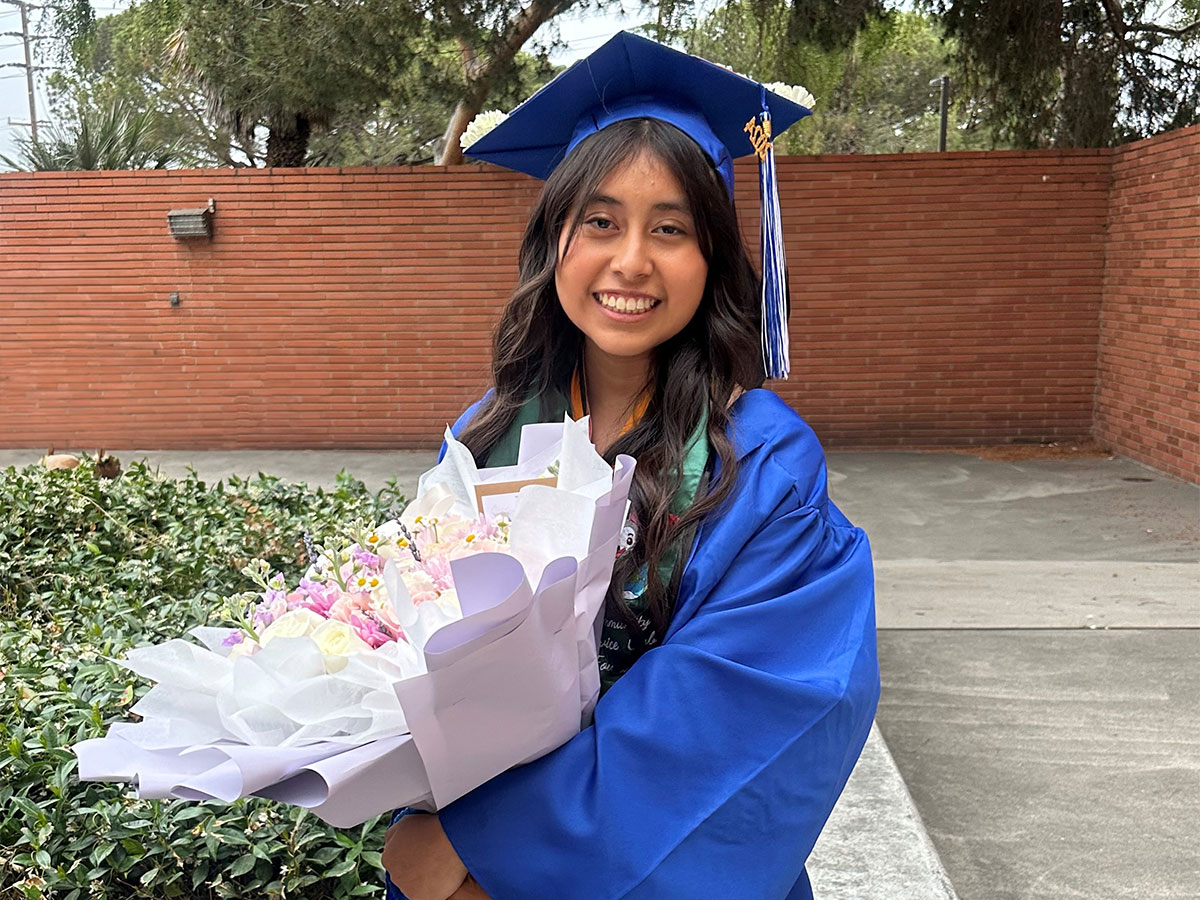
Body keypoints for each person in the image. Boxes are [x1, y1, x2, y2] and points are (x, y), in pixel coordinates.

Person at [382, 32, 879, 900]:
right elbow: (420, 655)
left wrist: (474, 846)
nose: (632, 260)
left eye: (672, 229)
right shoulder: (486, 433)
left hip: (629, 868)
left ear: (713, 255)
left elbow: (739, 716)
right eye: (601, 222)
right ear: (555, 242)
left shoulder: (765, 463)